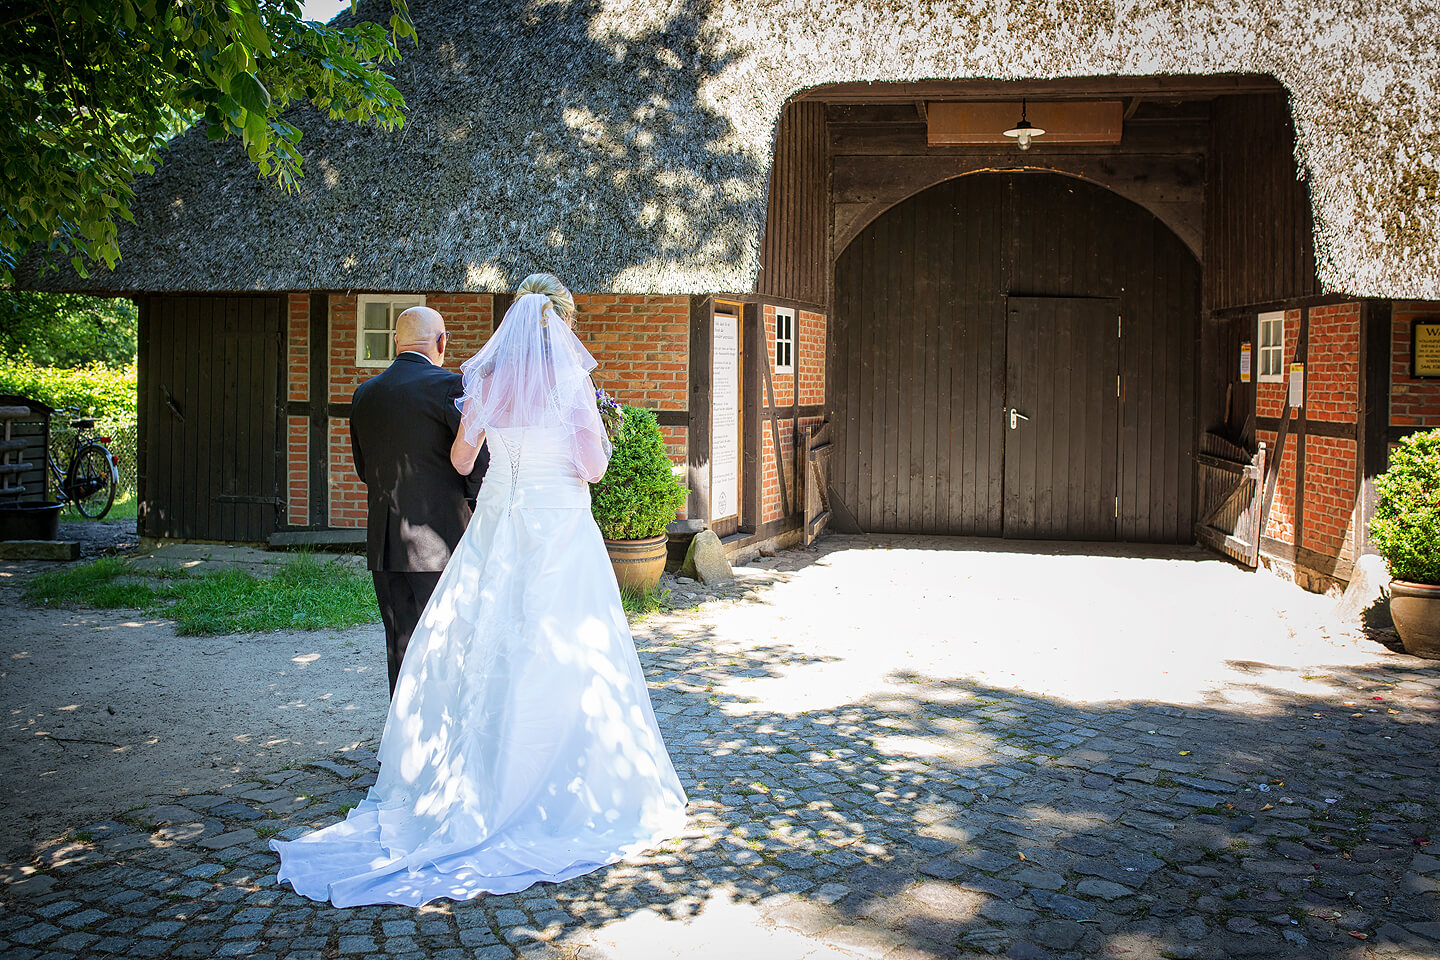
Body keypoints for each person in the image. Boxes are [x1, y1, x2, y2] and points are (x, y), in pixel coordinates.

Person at [271, 274, 688, 906]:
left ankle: (467, 772)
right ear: (566, 323)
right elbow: (595, 468)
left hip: (500, 527)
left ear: (518, 321)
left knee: (483, 642)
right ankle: (560, 776)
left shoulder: (488, 382)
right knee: (567, 646)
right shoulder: (573, 383)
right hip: (558, 527)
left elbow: (465, 460)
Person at [348, 306, 489, 698]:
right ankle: (442, 740)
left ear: (396, 341)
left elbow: (363, 469)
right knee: (446, 645)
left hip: (384, 545)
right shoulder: (451, 388)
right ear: (441, 342)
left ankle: (401, 745)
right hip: (441, 543)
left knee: (400, 646)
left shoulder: (364, 395)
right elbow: (476, 463)